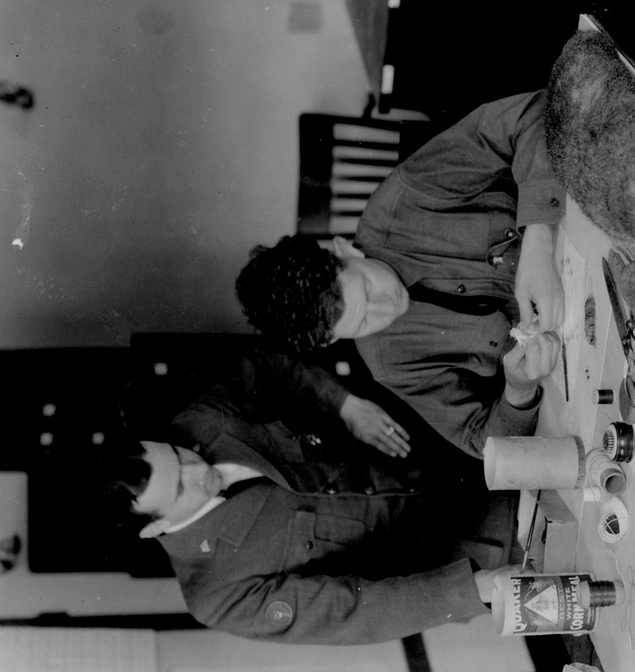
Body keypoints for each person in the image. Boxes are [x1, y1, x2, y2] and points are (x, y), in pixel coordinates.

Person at [102, 348, 524, 644]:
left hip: (459, 446)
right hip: (485, 546)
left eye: (179, 455)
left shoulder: (198, 423)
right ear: (155, 526)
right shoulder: (216, 594)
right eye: (180, 487)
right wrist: (471, 589)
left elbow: (265, 367)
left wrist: (343, 405)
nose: (198, 468)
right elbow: (352, 612)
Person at [237, 91, 568, 459]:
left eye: (366, 286)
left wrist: (537, 241)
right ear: (333, 340)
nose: (387, 308)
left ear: (345, 250)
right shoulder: (389, 361)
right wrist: (518, 391)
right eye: (364, 322)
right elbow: (480, 441)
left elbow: (534, 111)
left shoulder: (407, 195)